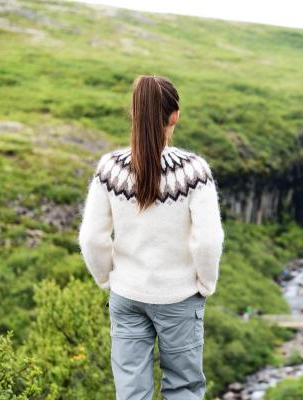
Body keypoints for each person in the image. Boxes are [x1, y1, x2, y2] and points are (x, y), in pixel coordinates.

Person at [78, 74, 225, 400]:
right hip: (180, 297)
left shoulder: (110, 168)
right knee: (183, 389)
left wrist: (109, 279)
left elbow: (91, 238)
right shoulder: (194, 171)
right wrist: (205, 284)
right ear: (175, 116)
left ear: (135, 113)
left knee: (131, 392)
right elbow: (208, 240)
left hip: (127, 296)